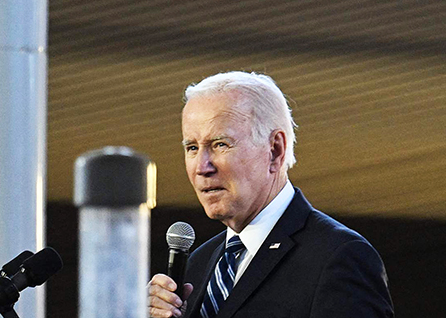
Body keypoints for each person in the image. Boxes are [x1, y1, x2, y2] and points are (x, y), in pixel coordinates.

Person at [147, 71, 394, 318]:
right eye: (192, 148)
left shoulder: (338, 256)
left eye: (220, 144)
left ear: (275, 150)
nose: (202, 167)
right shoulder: (197, 265)